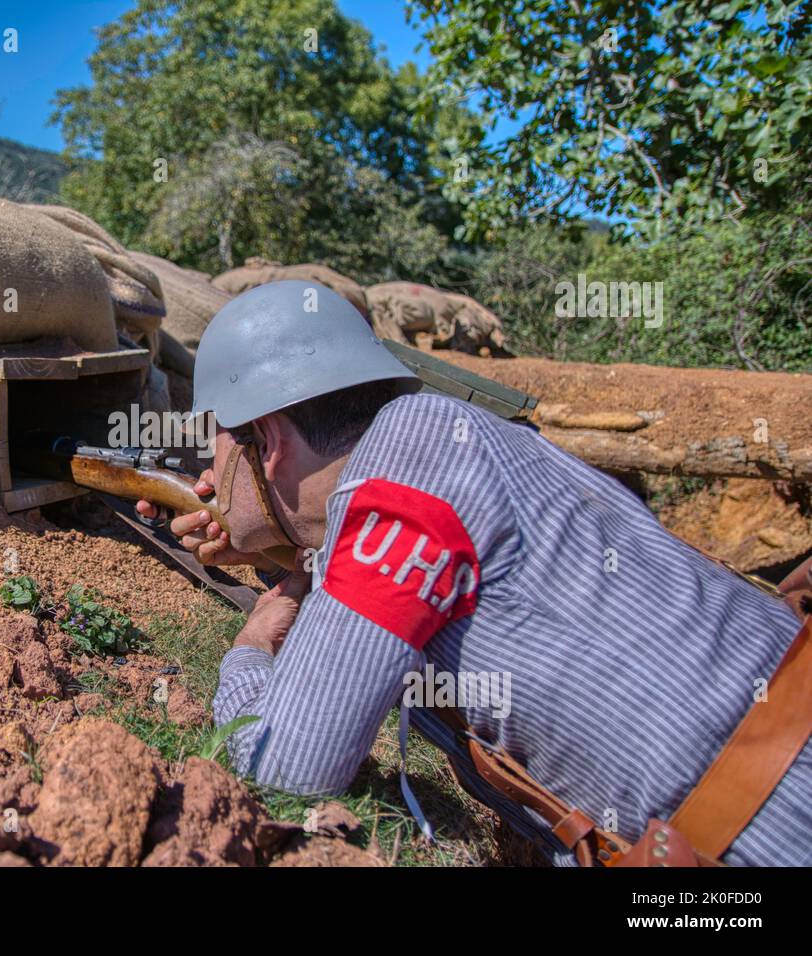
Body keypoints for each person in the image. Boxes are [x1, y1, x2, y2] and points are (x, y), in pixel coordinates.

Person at [137, 280, 810, 866]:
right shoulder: (446, 435)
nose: (209, 466)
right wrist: (287, 549)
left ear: (271, 439)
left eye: (218, 439)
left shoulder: (389, 499)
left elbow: (288, 766)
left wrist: (251, 650)